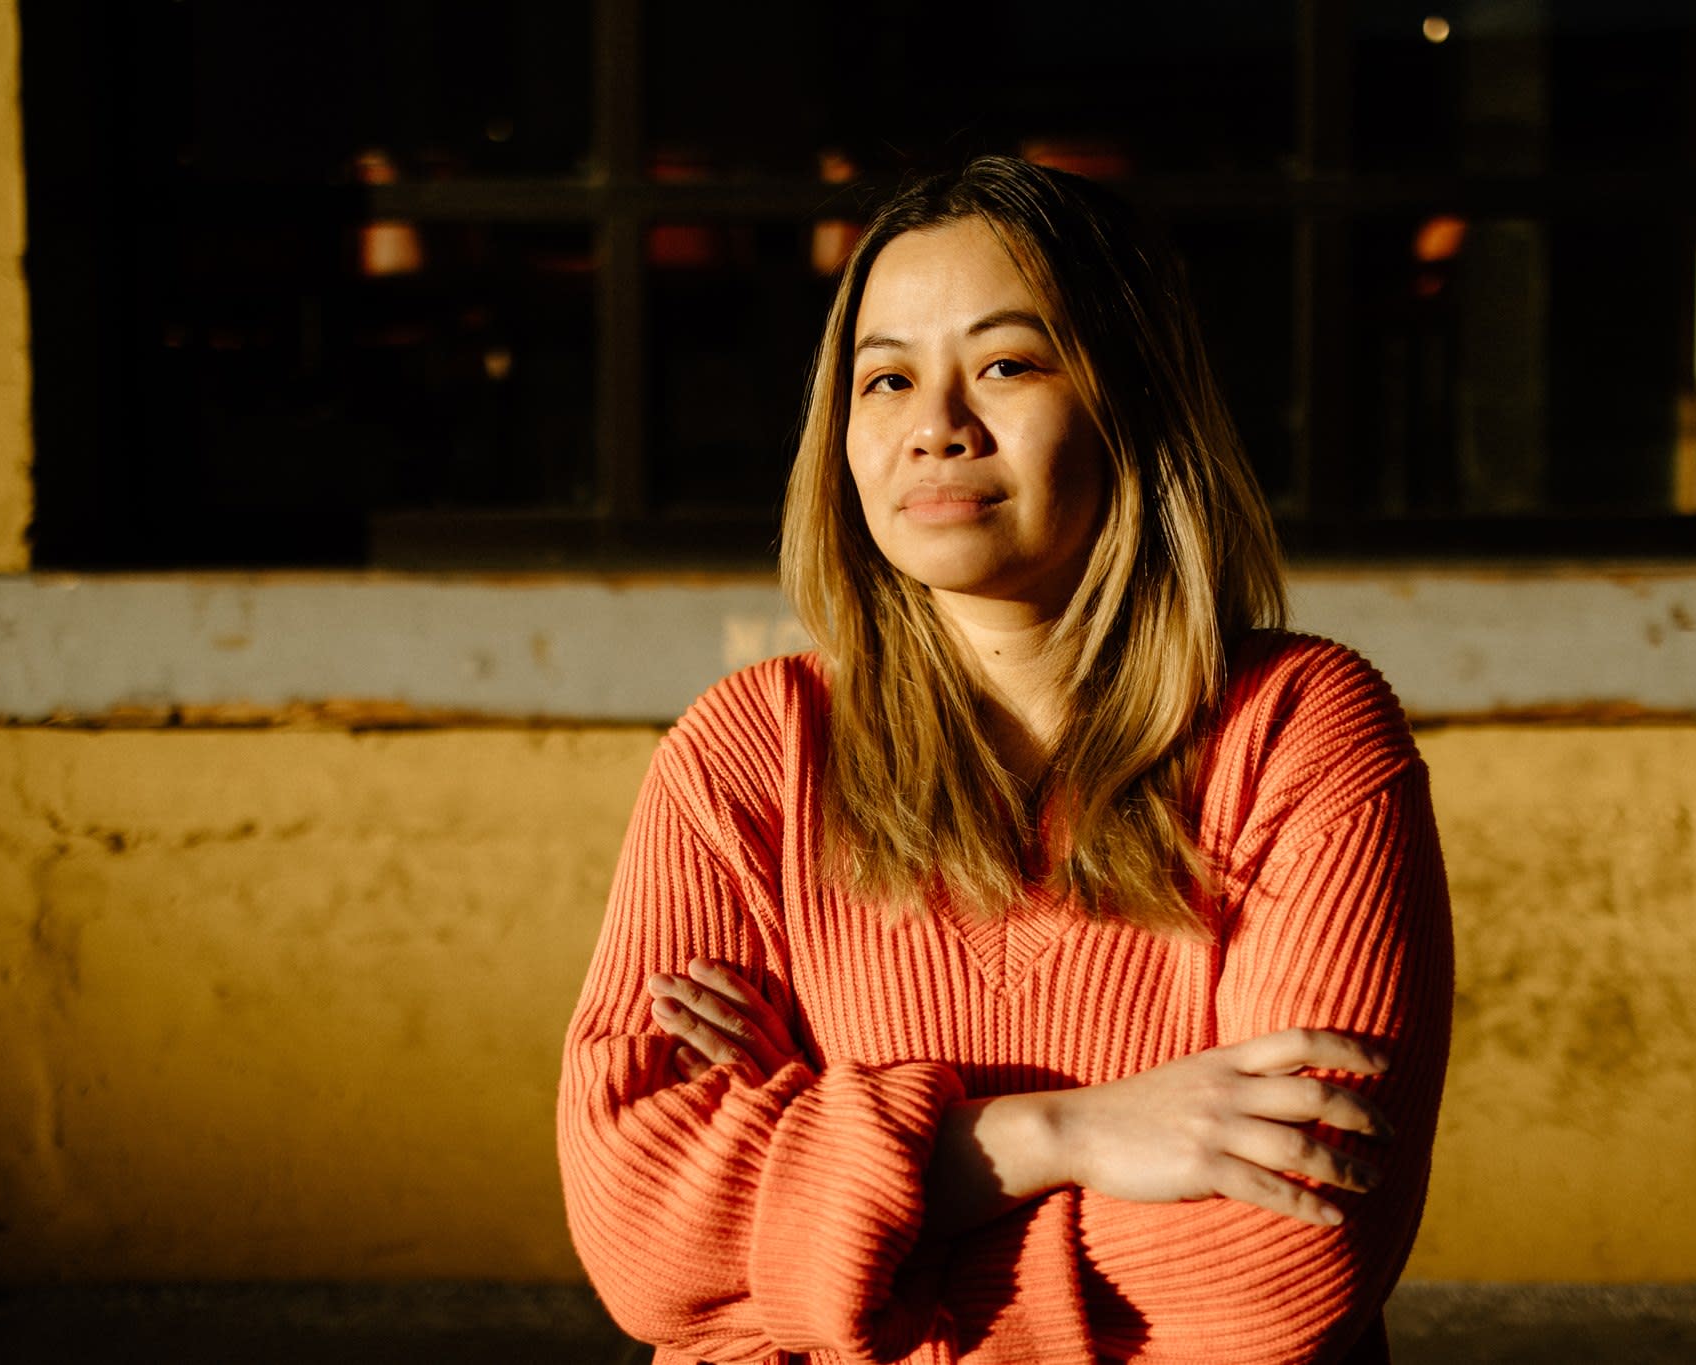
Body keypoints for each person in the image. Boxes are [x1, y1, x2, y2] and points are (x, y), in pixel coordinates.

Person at [557, 156, 1452, 1365]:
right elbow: (643, 1243)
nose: (933, 425)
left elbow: (1282, 1270)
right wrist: (1052, 1137)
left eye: (1004, 364)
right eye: (885, 379)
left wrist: (828, 1221)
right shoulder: (749, 755)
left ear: (1132, 400)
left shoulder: (1298, 732)